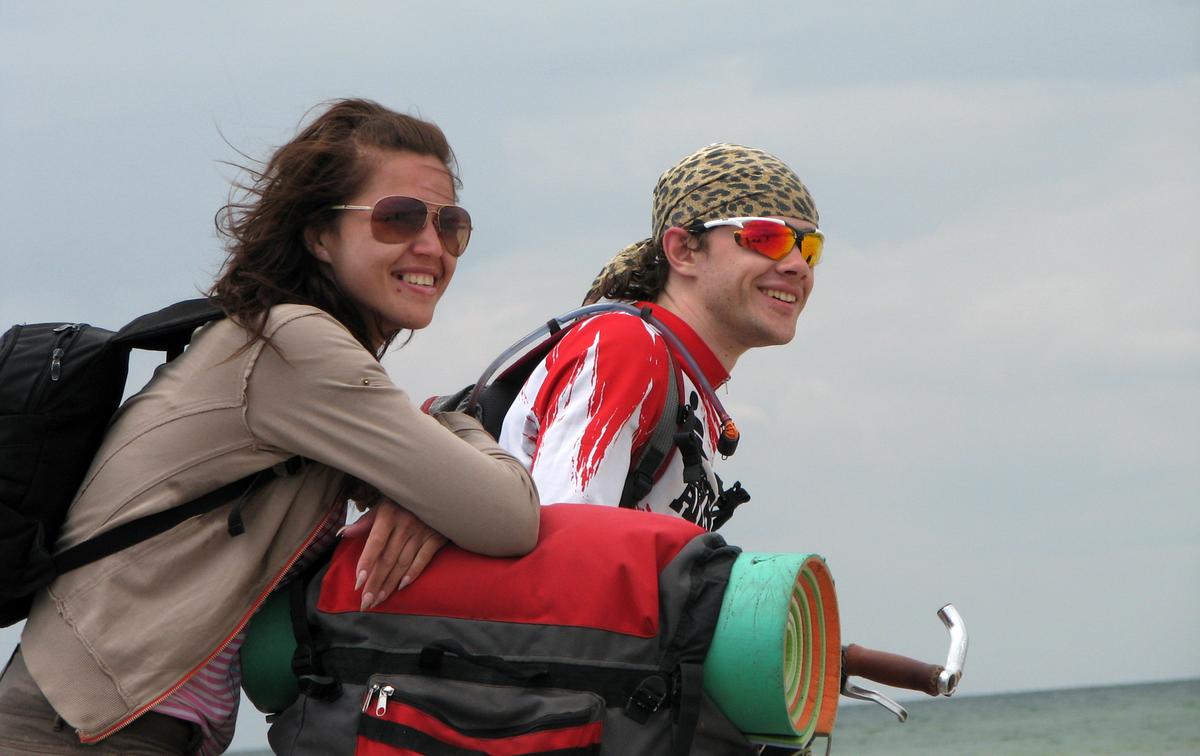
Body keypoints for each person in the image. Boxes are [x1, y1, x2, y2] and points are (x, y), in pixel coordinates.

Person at [0, 99, 540, 755]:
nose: (430, 245)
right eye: (398, 218)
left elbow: (457, 499)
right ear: (319, 236)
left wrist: (429, 494)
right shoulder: (295, 346)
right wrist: (457, 426)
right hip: (82, 729)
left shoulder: (280, 347)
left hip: (115, 721)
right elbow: (508, 517)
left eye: (450, 224)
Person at [498, 142, 821, 530]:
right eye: (766, 238)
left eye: (810, 247)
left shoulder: (684, 382)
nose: (798, 266)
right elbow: (566, 543)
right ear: (683, 250)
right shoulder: (627, 346)